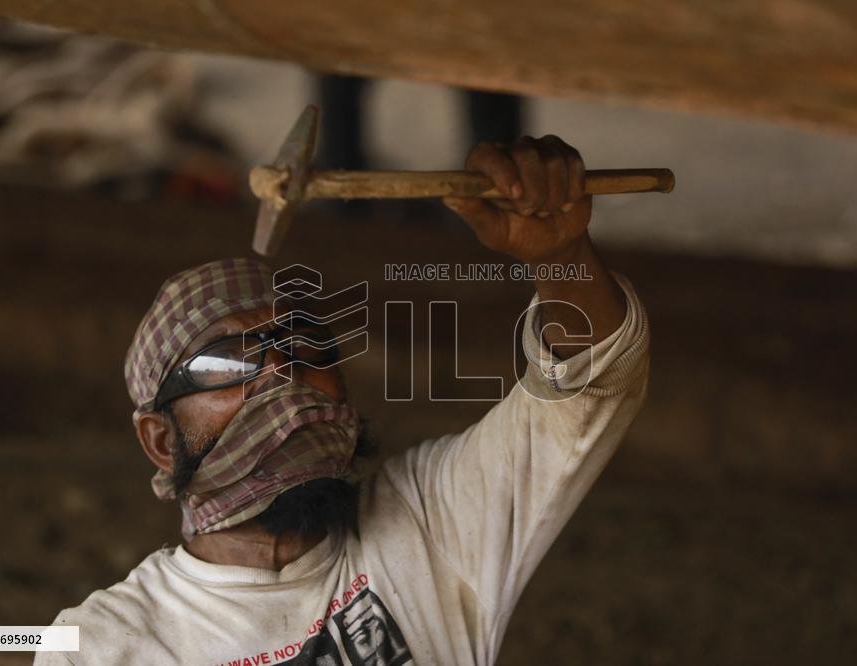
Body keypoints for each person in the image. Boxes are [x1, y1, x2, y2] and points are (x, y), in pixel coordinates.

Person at [38, 135, 650, 665]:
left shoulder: (429, 520)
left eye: (307, 350)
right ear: (162, 440)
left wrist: (562, 258)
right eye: (229, 362)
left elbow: (588, 378)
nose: (284, 380)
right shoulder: (101, 646)